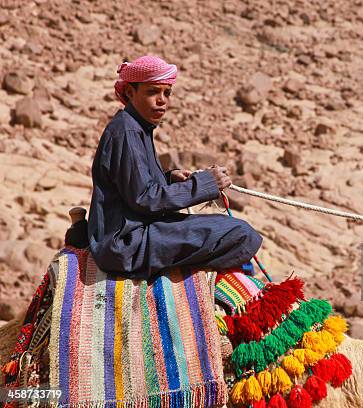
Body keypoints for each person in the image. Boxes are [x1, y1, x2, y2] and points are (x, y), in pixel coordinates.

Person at [87, 55, 263, 279]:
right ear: (130, 93)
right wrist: (207, 184)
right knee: (240, 233)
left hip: (137, 230)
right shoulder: (128, 131)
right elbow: (145, 198)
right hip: (127, 242)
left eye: (166, 93)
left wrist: (169, 179)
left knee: (228, 228)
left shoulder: (136, 127)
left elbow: (135, 187)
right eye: (152, 92)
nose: (162, 100)